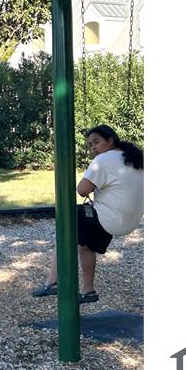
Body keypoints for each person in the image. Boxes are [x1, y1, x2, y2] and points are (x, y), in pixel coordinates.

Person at [32, 124, 144, 303]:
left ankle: (53, 281)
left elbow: (82, 190)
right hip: (130, 220)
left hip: (109, 218)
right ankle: (88, 291)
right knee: (84, 244)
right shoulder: (133, 158)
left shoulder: (104, 159)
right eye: (90, 145)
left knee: (66, 225)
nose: (93, 148)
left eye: (96, 142)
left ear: (110, 140)